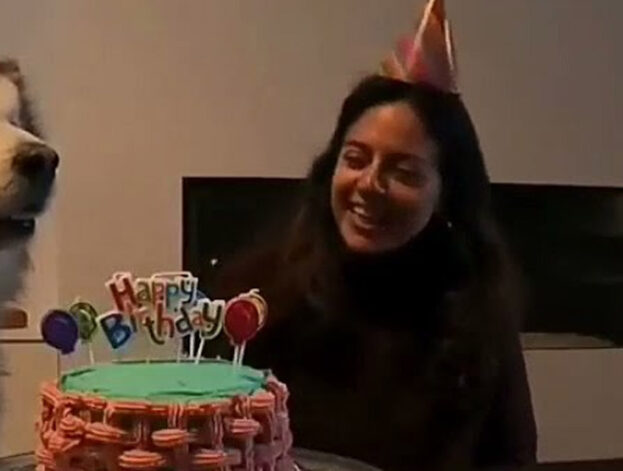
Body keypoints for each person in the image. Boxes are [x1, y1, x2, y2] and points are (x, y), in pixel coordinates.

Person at [207, 1, 537, 470]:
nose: (369, 186)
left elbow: (511, 459)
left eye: (404, 172)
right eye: (356, 159)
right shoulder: (256, 298)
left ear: (446, 195)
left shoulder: (478, 316)